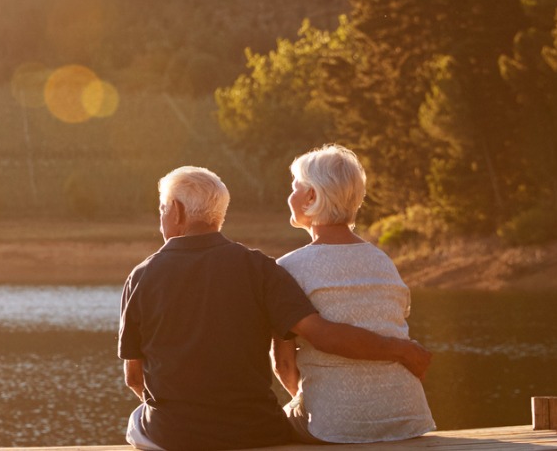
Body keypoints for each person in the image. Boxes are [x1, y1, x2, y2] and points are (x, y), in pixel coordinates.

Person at [120, 166, 432, 451]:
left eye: (162, 208)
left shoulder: (141, 277)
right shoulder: (262, 269)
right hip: (256, 431)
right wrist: (400, 349)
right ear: (219, 215)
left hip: (173, 435)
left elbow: (134, 378)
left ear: (176, 212)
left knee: (137, 420)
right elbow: (317, 335)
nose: (161, 217)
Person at [274, 145, 436, 443]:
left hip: (335, 426)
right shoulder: (383, 261)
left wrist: (309, 402)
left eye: (295, 188)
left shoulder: (287, 268)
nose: (290, 196)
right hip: (407, 418)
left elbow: (284, 366)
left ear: (311, 196)